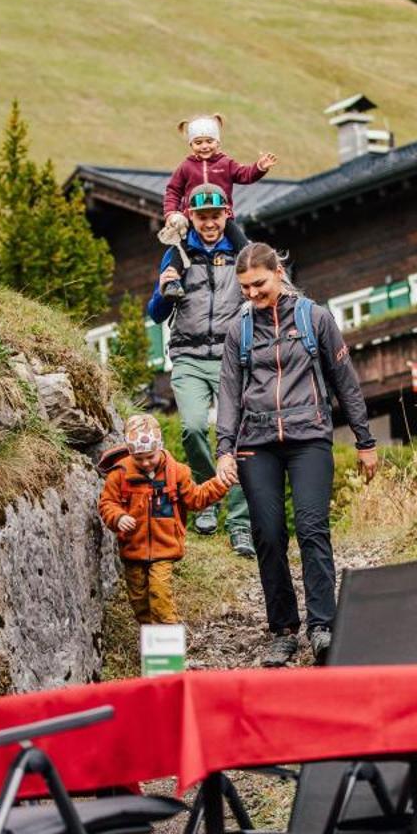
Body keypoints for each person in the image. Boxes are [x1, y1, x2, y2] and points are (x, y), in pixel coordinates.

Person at [215, 242, 379, 666]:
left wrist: (365, 441)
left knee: (312, 529)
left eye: (258, 284)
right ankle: (283, 630)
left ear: (278, 273)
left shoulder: (314, 318)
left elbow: (345, 381)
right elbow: (230, 395)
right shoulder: (240, 331)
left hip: (309, 439)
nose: (251, 294)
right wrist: (224, 450)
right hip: (256, 442)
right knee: (268, 536)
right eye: (244, 288)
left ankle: (322, 626)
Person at [149, 184, 255, 555]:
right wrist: (163, 291)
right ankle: (206, 499)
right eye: (202, 217)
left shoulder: (242, 253)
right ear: (191, 217)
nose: (209, 224)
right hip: (189, 356)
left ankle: (240, 524)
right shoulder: (178, 253)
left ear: (226, 215)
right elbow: (156, 313)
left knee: (240, 439)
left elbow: (266, 289)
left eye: (215, 216)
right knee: (193, 427)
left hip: (231, 357)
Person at [98, 414, 235, 626]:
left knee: (160, 598)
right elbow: (107, 503)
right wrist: (118, 516)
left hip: (164, 550)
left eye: (150, 456)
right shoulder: (119, 474)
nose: (145, 463)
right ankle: (153, 648)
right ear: (130, 452)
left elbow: (196, 499)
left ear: (159, 447)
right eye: (138, 458)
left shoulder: (176, 473)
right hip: (132, 550)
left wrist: (220, 483)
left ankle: (169, 654)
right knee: (139, 602)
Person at [158, 114, 278, 245]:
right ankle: (173, 266)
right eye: (198, 142)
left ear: (218, 142)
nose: (204, 146)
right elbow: (173, 191)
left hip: (222, 217)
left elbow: (246, 175)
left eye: (209, 141)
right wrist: (171, 213)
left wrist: (259, 167)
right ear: (191, 144)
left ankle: (249, 261)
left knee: (243, 245)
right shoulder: (186, 166)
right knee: (179, 247)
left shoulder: (226, 163)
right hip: (192, 217)